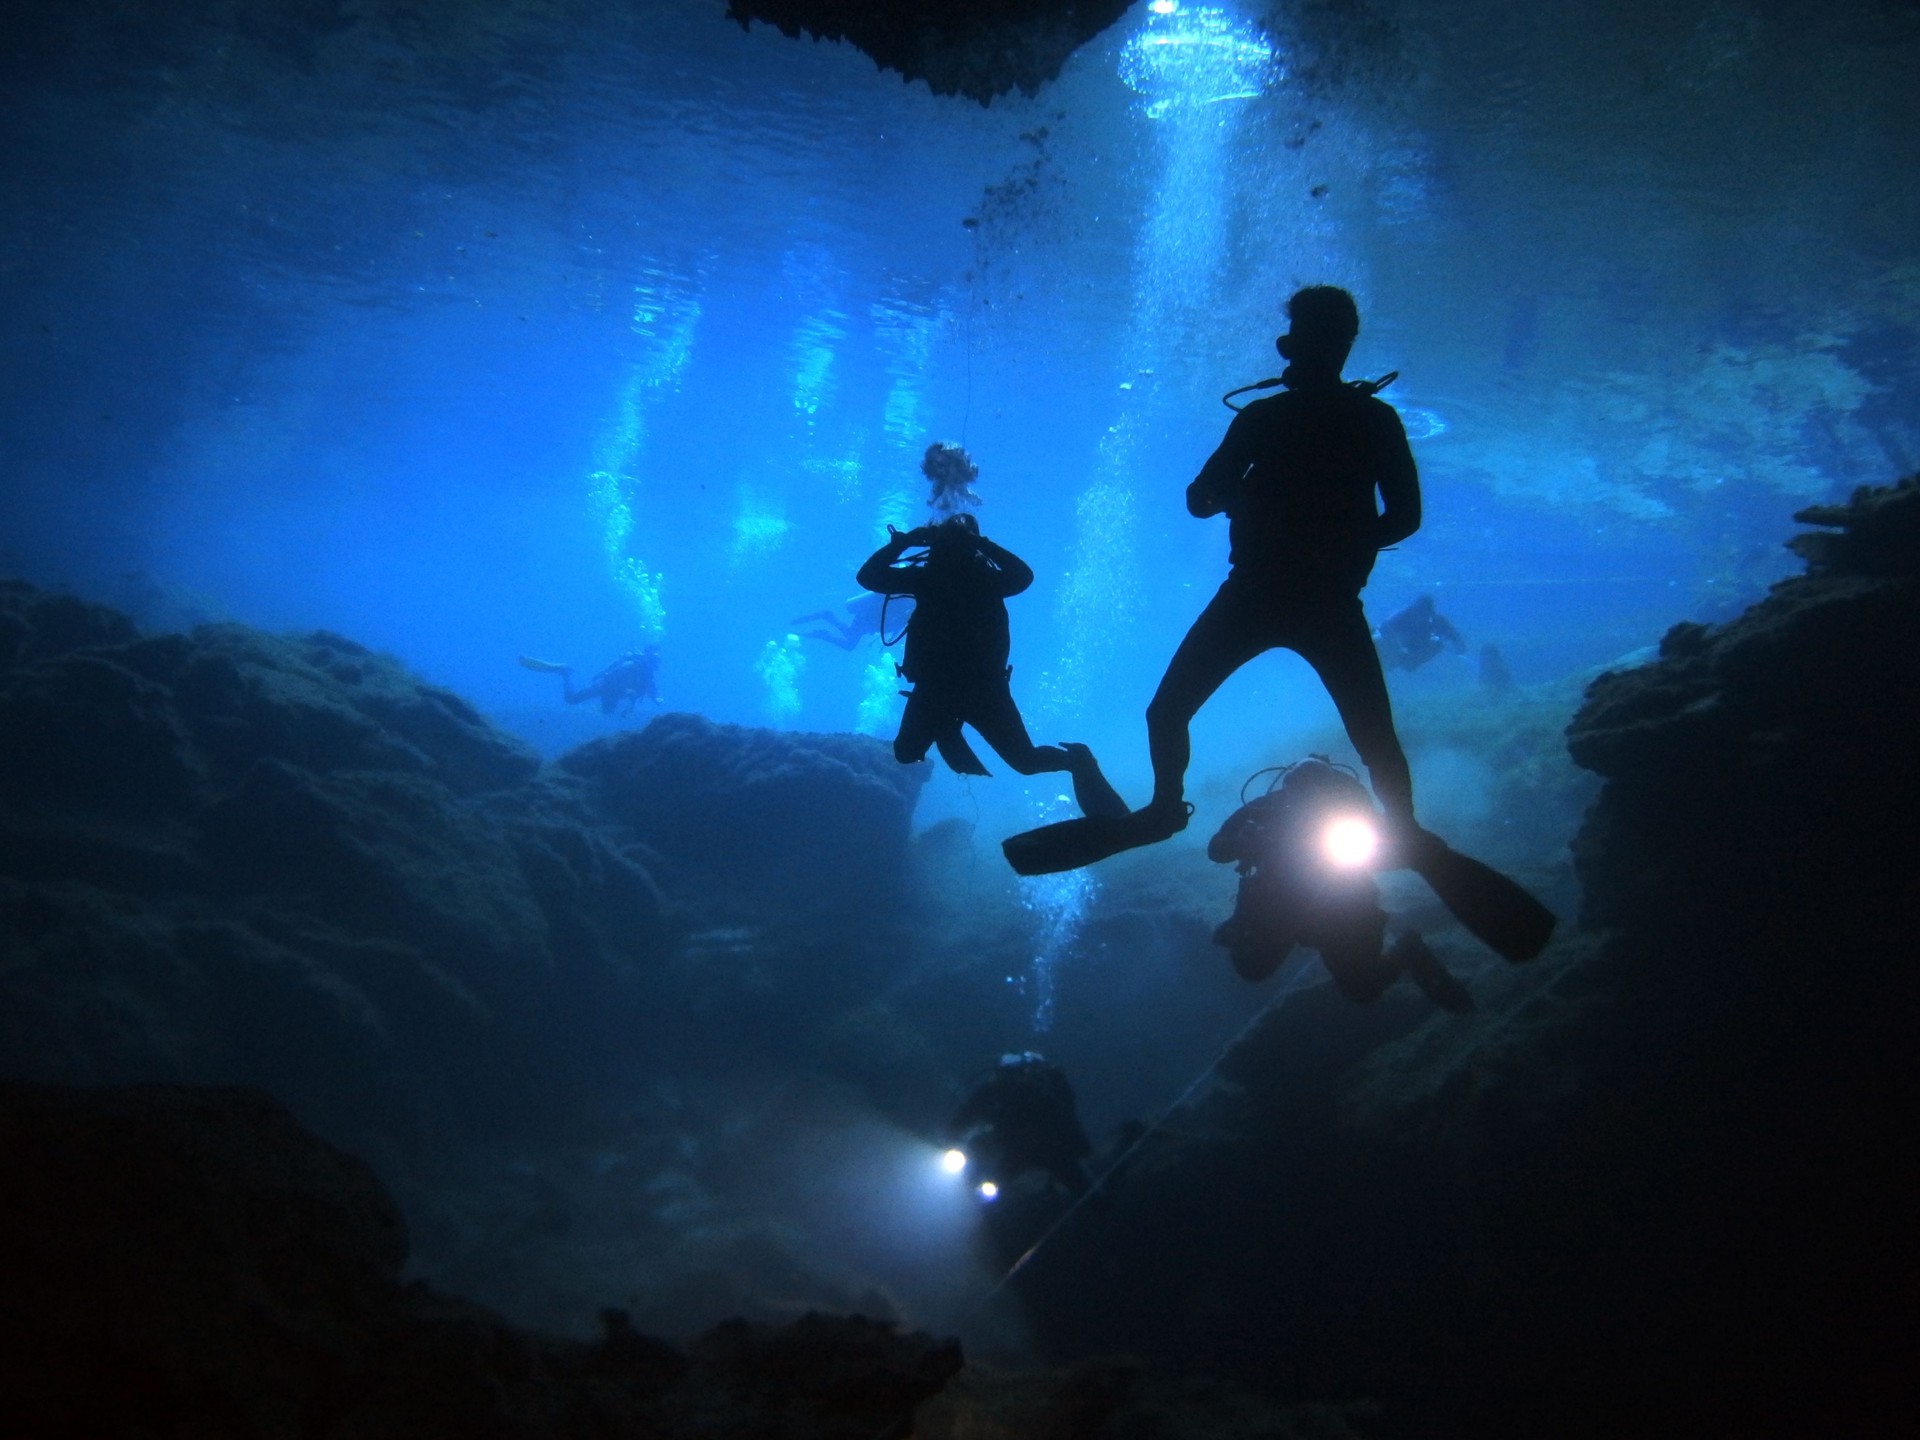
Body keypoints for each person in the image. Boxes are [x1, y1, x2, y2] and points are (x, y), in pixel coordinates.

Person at [1128, 285, 1423, 847]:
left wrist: (1242, 499)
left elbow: (1198, 499)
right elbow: (1405, 517)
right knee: (1374, 737)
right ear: (1344, 345)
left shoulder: (1265, 419)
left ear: (1287, 345)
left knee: (1168, 711)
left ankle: (1166, 806)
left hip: (1257, 594)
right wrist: (1344, 546)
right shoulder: (1372, 419)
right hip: (1326, 598)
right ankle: (1407, 832)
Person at [855, 506, 1123, 816]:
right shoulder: (930, 578)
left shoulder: (983, 580)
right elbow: (867, 578)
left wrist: (917, 542)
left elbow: (1024, 576)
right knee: (906, 753)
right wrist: (918, 541)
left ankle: (1078, 761)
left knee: (1025, 761)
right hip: (942, 688)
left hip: (982, 689)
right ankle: (946, 726)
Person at [1207, 759, 1472, 1012]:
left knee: (1362, 988)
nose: (1308, 807)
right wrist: (1239, 843)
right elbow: (1216, 849)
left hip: (1343, 904)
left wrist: (1423, 851)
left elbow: (1403, 843)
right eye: (1301, 799)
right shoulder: (1267, 809)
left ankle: (1407, 950)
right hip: (1277, 901)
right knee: (1252, 969)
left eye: (1317, 799)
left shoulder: (1351, 812)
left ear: (1331, 793)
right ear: (1288, 794)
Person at [946, 1052, 1093, 1199]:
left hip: (1047, 1146)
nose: (1011, 1080)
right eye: (1006, 1074)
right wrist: (952, 1134)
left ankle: (1095, 1203)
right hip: (1018, 1149)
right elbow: (967, 1112)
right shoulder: (992, 1093)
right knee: (992, 1186)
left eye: (1014, 1073)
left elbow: (1065, 1107)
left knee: (1078, 1184)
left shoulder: (1037, 1088)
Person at [518, 647, 660, 715]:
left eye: (657, 661)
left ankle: (591, 710)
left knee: (607, 713)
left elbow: (649, 689)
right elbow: (612, 676)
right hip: (604, 688)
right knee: (571, 700)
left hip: (614, 694)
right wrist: (625, 691)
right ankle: (564, 673)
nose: (655, 663)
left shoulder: (648, 674)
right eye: (654, 660)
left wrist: (656, 699)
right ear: (647, 658)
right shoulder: (631, 665)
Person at [1373, 594, 1465, 673]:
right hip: (1396, 647)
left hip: (1413, 651)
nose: (1421, 615)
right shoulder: (1403, 615)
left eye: (1425, 612)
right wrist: (1398, 645)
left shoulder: (1436, 621)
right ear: (1414, 609)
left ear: (1430, 612)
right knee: (1378, 639)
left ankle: (1407, 662)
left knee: (1438, 644)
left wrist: (1459, 646)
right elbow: (1384, 628)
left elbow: (1452, 634)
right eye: (1419, 610)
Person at [791, 591, 899, 651]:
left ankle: (827, 623)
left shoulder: (903, 602)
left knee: (850, 641)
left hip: (867, 619)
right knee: (850, 643)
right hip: (867, 620)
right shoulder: (907, 606)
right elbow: (897, 624)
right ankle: (827, 624)